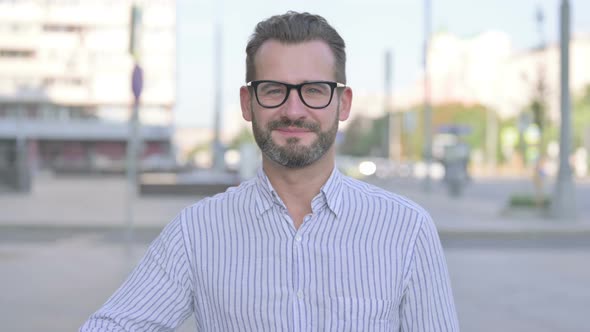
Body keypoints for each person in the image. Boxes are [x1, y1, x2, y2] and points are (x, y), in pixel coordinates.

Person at [81, 11, 459, 331]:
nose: (293, 111)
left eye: (313, 90)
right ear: (248, 103)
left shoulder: (407, 230)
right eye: (274, 90)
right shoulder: (196, 232)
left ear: (343, 104)